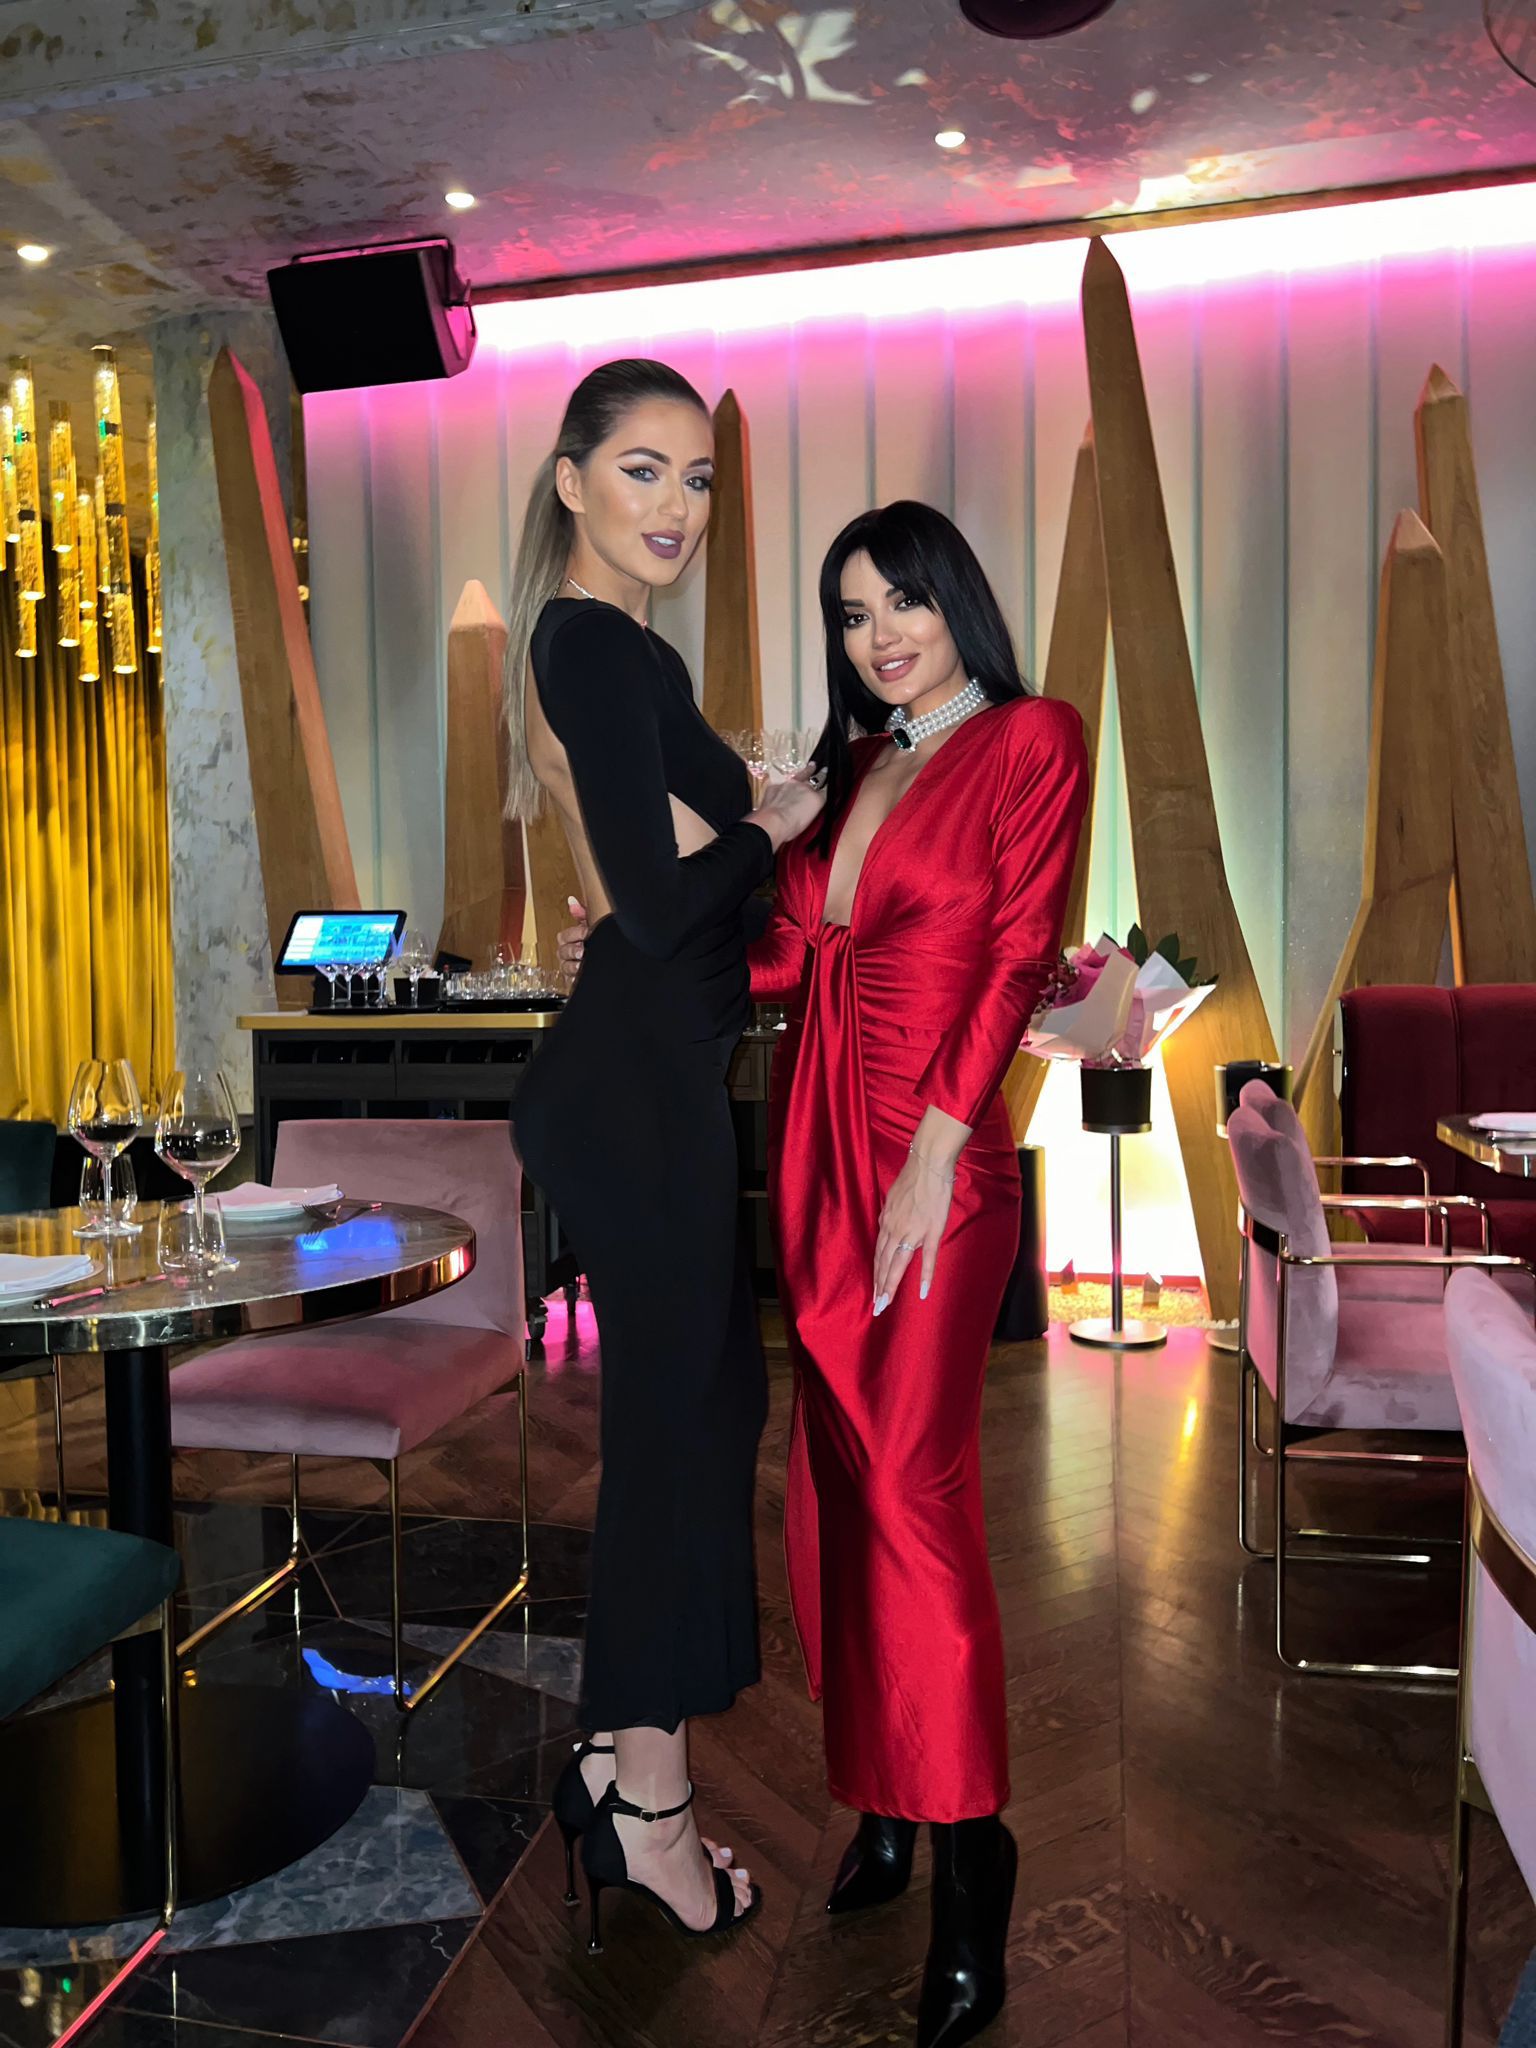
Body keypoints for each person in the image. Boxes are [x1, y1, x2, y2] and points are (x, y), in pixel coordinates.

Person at [757, 502, 1088, 2046]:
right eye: (852, 612)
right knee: (839, 1480)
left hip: (934, 1162)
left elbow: (1018, 952)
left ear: (957, 600)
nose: (880, 633)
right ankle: (884, 1796)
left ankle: (972, 1856)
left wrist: (937, 1156)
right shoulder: (852, 771)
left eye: (903, 600)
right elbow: (781, 956)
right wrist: (735, 852)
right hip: (819, 1157)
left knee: (910, 1491)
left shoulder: (1030, 740)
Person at [505, 358, 825, 1951]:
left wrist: (762, 828)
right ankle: (652, 1810)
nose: (678, 507)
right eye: (643, 470)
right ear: (572, 482)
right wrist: (780, 824)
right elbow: (654, 904)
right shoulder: (587, 643)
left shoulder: (632, 653)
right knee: (677, 1441)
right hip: (633, 1091)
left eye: (697, 478)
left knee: (699, 1417)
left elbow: (676, 886)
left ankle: (616, 1758)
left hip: (652, 1075)